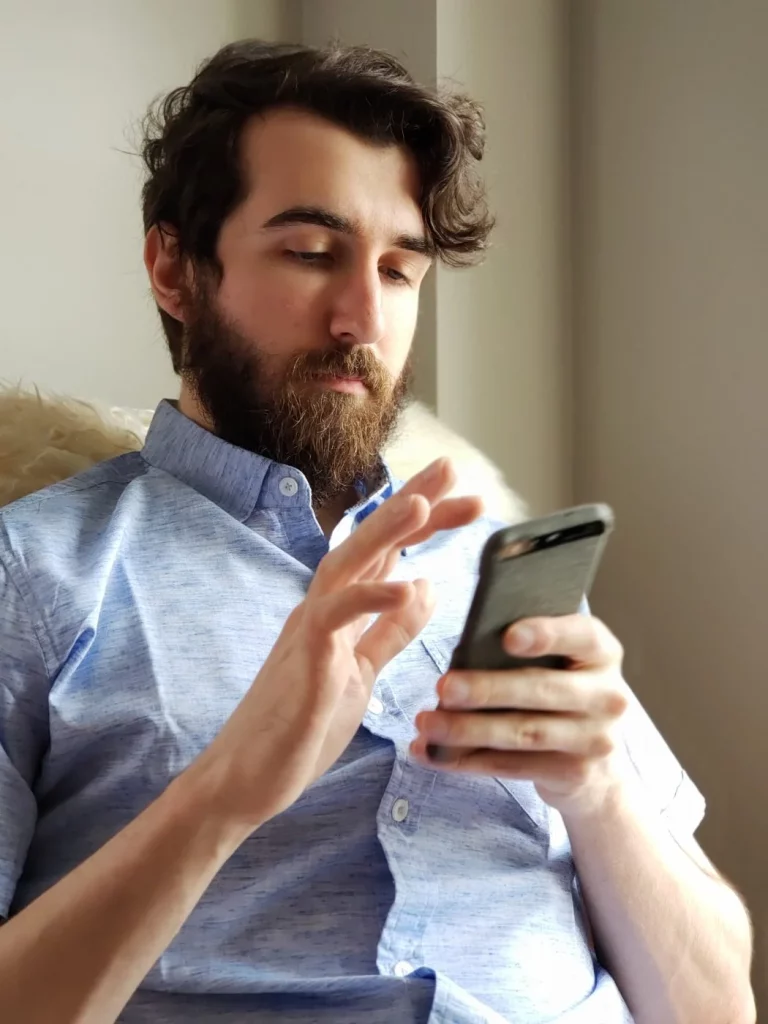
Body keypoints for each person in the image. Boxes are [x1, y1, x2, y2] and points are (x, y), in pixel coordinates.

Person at [0, 39, 755, 1024]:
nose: (364, 313)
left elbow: (716, 1005)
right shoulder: (35, 572)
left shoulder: (493, 563)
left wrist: (600, 790)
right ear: (175, 269)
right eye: (312, 253)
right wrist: (229, 790)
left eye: (400, 271)